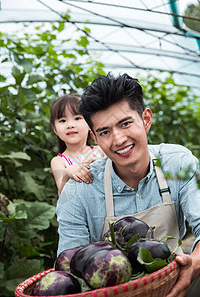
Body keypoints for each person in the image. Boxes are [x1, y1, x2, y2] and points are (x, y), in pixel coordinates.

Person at [56, 73, 200, 296]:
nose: (119, 139)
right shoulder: (79, 190)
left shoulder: (177, 163)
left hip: (178, 276)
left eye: (125, 123)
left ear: (146, 119)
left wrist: (192, 267)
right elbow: (70, 267)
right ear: (95, 138)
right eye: (105, 132)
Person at [50, 93, 104, 194]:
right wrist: (68, 173)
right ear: (55, 129)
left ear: (90, 124)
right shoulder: (58, 161)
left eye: (77, 118)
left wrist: (101, 164)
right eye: (62, 120)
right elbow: (62, 192)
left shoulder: (101, 151)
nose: (70, 125)